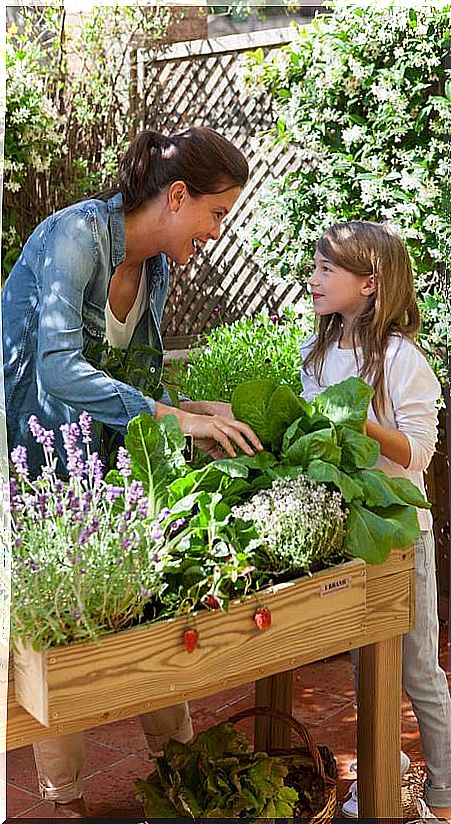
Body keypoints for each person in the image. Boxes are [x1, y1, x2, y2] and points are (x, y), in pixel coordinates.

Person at [2, 126, 263, 817]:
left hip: (96, 469)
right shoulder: (72, 238)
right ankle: (63, 803)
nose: (214, 232)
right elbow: (57, 369)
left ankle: (181, 773)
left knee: (147, 611)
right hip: (28, 467)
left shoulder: (157, 268)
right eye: (215, 212)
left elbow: (131, 388)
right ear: (177, 196)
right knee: (56, 638)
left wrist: (194, 410)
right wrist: (171, 417)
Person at [301, 220, 451, 821]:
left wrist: (353, 420)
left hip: (399, 537)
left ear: (370, 283)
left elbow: (418, 453)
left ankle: (442, 792)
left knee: (418, 670)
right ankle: (382, 780)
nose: (313, 279)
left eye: (326, 269)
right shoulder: (319, 355)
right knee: (369, 673)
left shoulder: (400, 359)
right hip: (351, 537)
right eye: (315, 267)